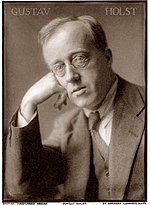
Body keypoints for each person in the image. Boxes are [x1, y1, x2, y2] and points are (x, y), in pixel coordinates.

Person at [5, 15, 145, 201]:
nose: (70, 77)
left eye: (79, 58)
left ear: (107, 57)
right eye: (59, 68)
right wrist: (28, 101)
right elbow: (22, 188)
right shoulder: (66, 128)